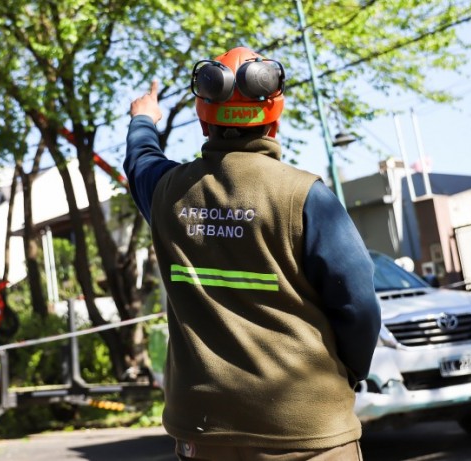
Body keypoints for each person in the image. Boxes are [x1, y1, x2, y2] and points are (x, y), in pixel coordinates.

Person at [124, 46, 381, 461]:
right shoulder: (305, 195)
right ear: (274, 119)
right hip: (309, 434)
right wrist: (349, 372)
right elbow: (358, 301)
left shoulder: (167, 194)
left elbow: (140, 160)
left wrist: (143, 118)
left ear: (203, 118)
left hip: (205, 433)